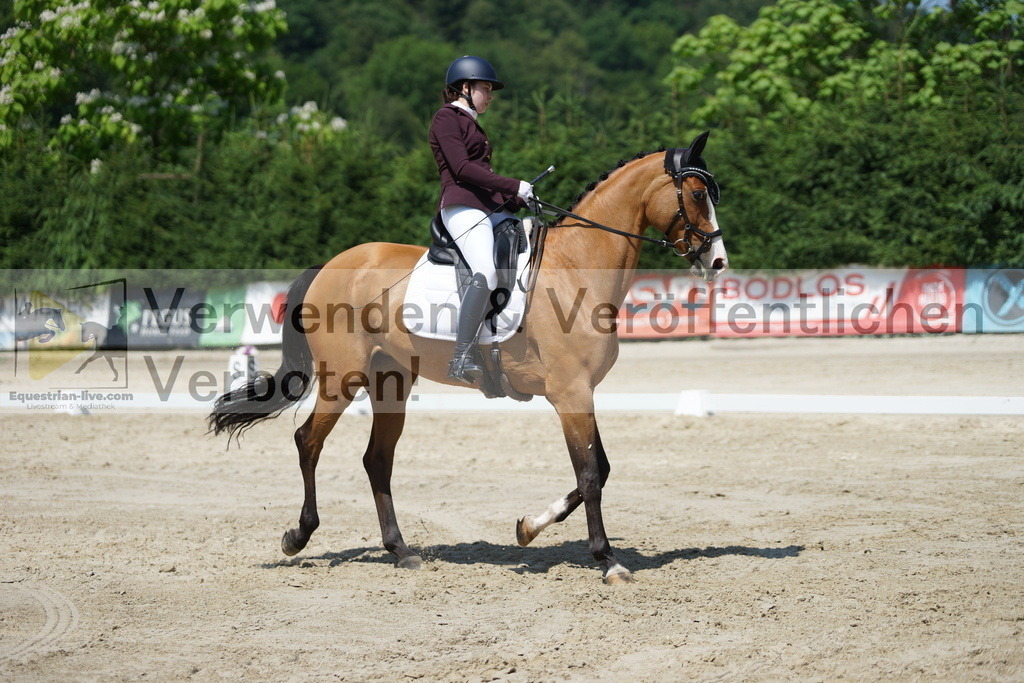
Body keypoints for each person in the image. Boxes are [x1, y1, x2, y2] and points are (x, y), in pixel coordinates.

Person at [429, 55, 535, 385]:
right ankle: (461, 357)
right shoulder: (446, 118)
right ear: (465, 87)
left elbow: (483, 177)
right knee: (485, 271)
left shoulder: (472, 122)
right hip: (461, 207)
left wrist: (515, 199)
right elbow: (462, 170)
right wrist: (512, 185)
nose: (490, 96)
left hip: (486, 207)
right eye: (485, 89)